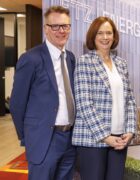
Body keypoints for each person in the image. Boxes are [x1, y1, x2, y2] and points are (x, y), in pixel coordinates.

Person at [10, 6, 76, 180]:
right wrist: (28, 138)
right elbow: (17, 104)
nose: (61, 31)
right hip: (44, 140)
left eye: (66, 26)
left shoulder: (70, 58)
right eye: (56, 26)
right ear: (46, 28)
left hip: (70, 139)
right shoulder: (31, 58)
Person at [72, 16, 136, 180]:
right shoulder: (85, 61)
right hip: (93, 140)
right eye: (100, 33)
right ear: (93, 36)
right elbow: (84, 103)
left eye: (109, 33)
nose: (105, 37)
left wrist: (130, 130)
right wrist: (106, 137)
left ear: (114, 36)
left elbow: (129, 99)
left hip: (120, 139)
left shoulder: (121, 63)